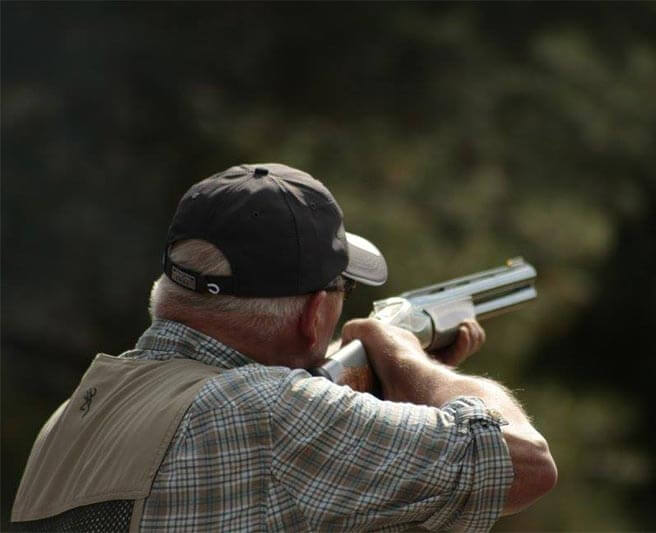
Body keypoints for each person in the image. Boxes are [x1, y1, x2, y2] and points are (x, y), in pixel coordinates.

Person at [12, 163, 556, 532]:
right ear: (315, 312)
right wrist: (412, 363)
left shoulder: (75, 414)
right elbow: (523, 463)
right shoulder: (270, 410)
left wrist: (389, 395)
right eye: (344, 293)